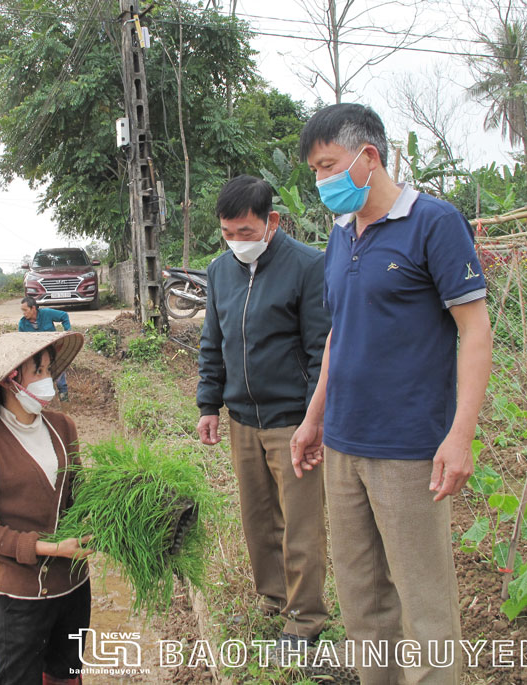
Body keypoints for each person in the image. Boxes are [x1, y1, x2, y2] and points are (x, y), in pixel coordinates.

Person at [290, 103, 492, 684]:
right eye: (316, 171)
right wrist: (314, 419)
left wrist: (460, 435)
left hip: (408, 448)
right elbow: (337, 336)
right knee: (363, 603)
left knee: (424, 606)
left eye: (328, 166)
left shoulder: (433, 223)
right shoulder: (339, 238)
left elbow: (474, 331)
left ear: (367, 157)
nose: (322, 181)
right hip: (345, 446)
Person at [196, 175, 331, 647]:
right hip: (241, 419)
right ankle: (273, 599)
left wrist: (314, 420)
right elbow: (213, 341)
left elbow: (321, 351)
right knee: (257, 518)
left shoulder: (308, 267)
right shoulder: (218, 271)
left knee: (301, 524)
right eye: (228, 234)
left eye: (246, 233)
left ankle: (305, 618)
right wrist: (209, 403)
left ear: (272, 221)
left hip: (292, 420)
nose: (237, 243)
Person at [0, 330, 93, 685]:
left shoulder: (63, 427)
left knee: (67, 675)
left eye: (50, 370)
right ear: (10, 380)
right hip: (22, 595)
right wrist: (52, 548)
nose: (48, 381)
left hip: (74, 586)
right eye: (39, 372)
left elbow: (78, 495)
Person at [19, 297, 72, 401]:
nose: (24, 313)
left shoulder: (46, 313)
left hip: (53, 350)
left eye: (25, 310)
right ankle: (41, 399)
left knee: (59, 373)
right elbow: (22, 343)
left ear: (33, 308)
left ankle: (64, 397)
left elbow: (64, 316)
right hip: (36, 355)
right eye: (23, 311)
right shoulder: (22, 324)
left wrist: (67, 332)